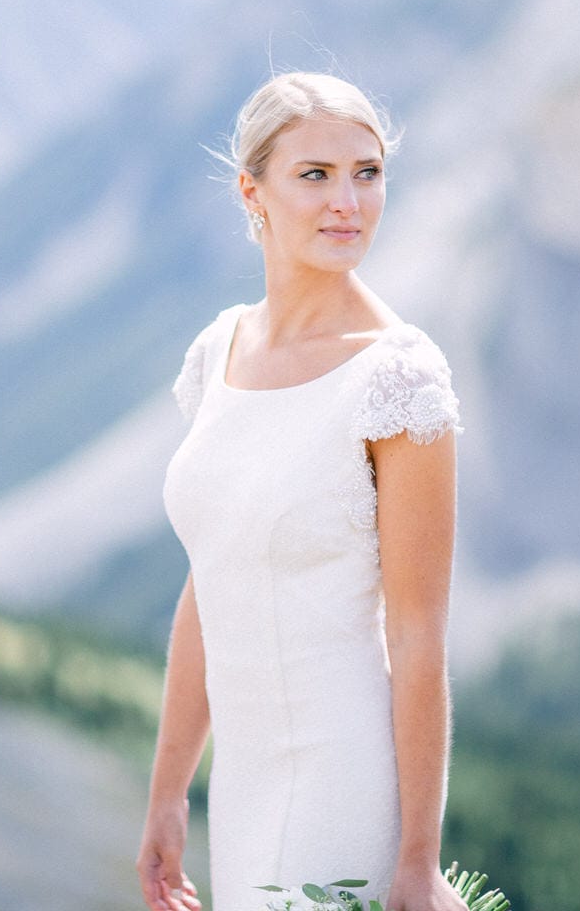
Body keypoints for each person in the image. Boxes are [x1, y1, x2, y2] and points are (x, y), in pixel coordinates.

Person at [137, 72, 467, 911]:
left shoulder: (399, 377)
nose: (347, 201)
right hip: (242, 791)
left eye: (367, 171)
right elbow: (211, 581)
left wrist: (418, 861)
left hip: (342, 776)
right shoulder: (221, 350)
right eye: (315, 175)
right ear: (254, 192)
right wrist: (171, 789)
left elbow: (420, 630)